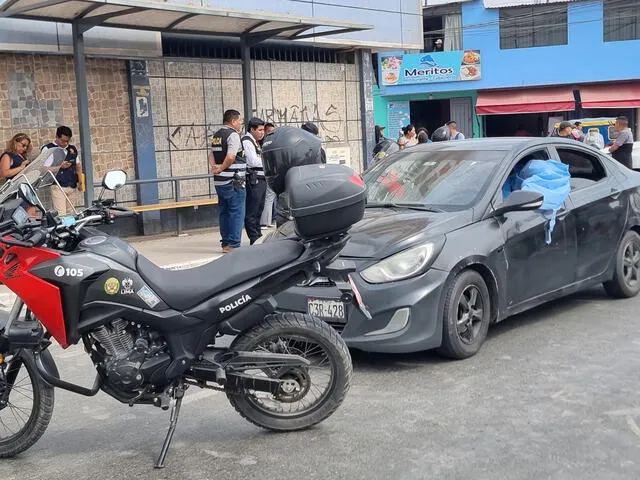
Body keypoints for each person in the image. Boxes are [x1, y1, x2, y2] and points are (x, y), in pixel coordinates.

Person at [210, 109, 246, 252]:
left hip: (220, 182)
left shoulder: (217, 135)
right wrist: (222, 168)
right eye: (240, 121)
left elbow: (211, 155)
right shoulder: (233, 135)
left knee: (224, 212)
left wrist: (215, 168)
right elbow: (231, 157)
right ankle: (233, 244)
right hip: (233, 181)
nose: (241, 124)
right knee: (236, 211)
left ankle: (225, 243)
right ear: (233, 121)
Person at [42, 126, 85, 215]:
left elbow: (78, 165)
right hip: (58, 185)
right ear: (57, 137)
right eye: (62, 140)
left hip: (72, 185)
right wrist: (60, 167)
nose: (65, 143)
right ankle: (63, 228)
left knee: (71, 213)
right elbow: (43, 169)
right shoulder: (48, 149)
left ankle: (70, 228)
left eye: (67, 141)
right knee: (61, 214)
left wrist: (81, 181)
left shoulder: (72, 149)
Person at [242, 117, 267, 245]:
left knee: (259, 209)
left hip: (261, 178)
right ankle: (254, 236)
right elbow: (252, 161)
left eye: (263, 130)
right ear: (252, 129)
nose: (262, 132)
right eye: (260, 130)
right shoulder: (247, 142)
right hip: (254, 179)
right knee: (253, 209)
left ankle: (257, 234)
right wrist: (267, 162)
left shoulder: (255, 142)